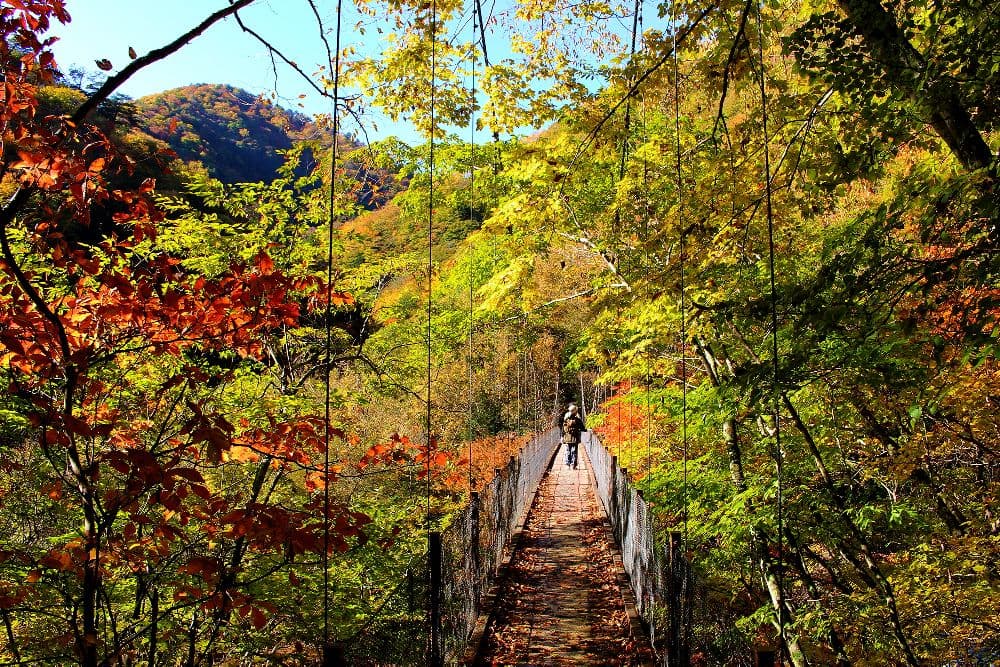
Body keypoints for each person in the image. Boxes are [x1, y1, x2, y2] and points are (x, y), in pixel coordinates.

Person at [561, 403, 585, 469]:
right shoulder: (578, 420)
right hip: (575, 438)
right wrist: (586, 430)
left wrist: (562, 437)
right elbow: (582, 428)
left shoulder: (566, 420)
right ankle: (573, 465)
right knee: (574, 451)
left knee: (567, 451)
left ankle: (567, 464)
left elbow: (563, 429)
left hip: (567, 438)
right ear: (575, 412)